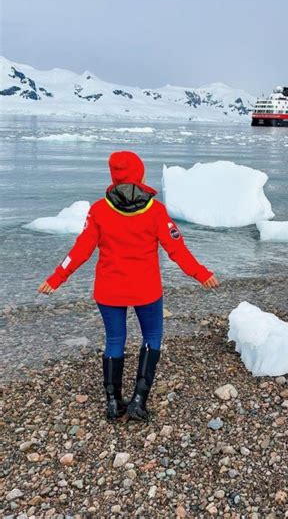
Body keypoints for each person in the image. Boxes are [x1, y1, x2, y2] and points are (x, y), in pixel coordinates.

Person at [37, 151, 219, 423]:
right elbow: (177, 249)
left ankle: (113, 404)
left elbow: (81, 250)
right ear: (139, 175)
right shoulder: (156, 211)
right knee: (152, 338)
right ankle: (137, 402)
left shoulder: (99, 210)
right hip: (146, 290)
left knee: (114, 341)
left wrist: (56, 278)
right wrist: (200, 274)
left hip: (109, 291)